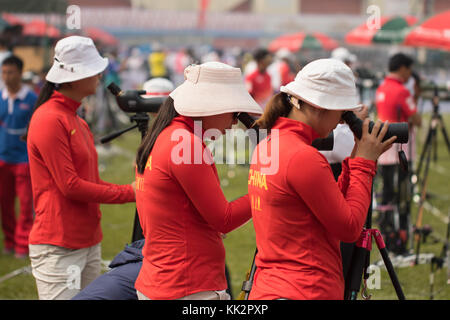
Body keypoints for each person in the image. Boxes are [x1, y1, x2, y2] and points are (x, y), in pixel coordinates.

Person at [248, 59, 397, 300]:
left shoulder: (269, 146)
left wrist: (355, 158)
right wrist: (365, 164)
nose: (341, 122)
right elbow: (349, 229)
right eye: (342, 113)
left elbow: (329, 208)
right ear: (320, 106)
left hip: (270, 287)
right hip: (306, 289)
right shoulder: (303, 157)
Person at [134, 61, 263, 300]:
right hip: (187, 285)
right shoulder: (186, 143)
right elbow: (224, 219)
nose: (235, 122)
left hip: (165, 279)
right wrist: (266, 188)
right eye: (234, 113)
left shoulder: (167, 134)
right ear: (211, 106)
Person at [25, 36, 136, 300]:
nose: (99, 75)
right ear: (73, 77)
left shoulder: (76, 119)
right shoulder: (50, 119)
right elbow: (70, 186)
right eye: (92, 70)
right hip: (59, 244)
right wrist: (131, 193)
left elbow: (92, 181)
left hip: (87, 239)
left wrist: (135, 189)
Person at [375, 53, 421, 254]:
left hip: (384, 148)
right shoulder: (402, 91)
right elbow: (417, 119)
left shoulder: (382, 87)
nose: (410, 74)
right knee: (403, 194)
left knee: (386, 193)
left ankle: (387, 233)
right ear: (402, 68)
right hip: (402, 149)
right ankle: (401, 235)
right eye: (409, 69)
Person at [0, 55, 37, 258]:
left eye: (10, 72)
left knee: (25, 205)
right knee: (4, 204)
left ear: (20, 73)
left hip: (24, 160)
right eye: (4, 72)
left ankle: (23, 245)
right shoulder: (0, 97)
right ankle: (9, 240)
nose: (6, 76)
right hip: (3, 158)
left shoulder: (31, 99)